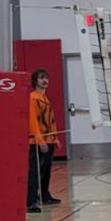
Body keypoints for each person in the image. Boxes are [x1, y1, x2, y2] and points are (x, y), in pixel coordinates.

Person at [27, 69, 61, 213]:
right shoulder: (33, 98)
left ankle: (44, 196)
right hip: (37, 143)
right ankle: (31, 201)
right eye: (41, 78)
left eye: (46, 77)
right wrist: (39, 140)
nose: (45, 80)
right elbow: (33, 121)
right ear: (35, 81)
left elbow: (50, 121)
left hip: (49, 140)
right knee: (35, 172)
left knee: (46, 172)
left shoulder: (45, 98)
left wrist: (55, 138)